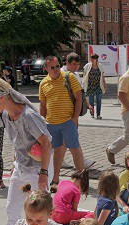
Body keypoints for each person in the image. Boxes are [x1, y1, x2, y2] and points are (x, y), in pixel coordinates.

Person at [0, 77, 53, 225]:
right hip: (20, 168)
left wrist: (44, 173)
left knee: (39, 212)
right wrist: (14, 164)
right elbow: (17, 142)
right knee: (11, 209)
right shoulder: (6, 115)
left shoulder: (28, 116)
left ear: (2, 97)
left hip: (37, 170)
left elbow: (46, 144)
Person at [39, 55, 86, 190]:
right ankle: (55, 179)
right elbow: (43, 105)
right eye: (52, 67)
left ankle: (82, 180)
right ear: (46, 69)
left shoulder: (69, 77)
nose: (55, 69)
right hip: (51, 123)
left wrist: (75, 118)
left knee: (74, 149)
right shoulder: (43, 83)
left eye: (57, 66)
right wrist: (42, 123)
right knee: (58, 150)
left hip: (68, 121)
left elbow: (79, 98)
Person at [82, 53, 106, 119]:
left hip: (98, 85)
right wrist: (83, 83)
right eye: (91, 58)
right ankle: (92, 113)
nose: (92, 60)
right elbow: (84, 75)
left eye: (93, 58)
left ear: (96, 59)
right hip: (90, 85)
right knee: (91, 100)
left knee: (99, 100)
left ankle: (98, 114)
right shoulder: (87, 66)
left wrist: (104, 83)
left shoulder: (100, 66)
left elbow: (102, 75)